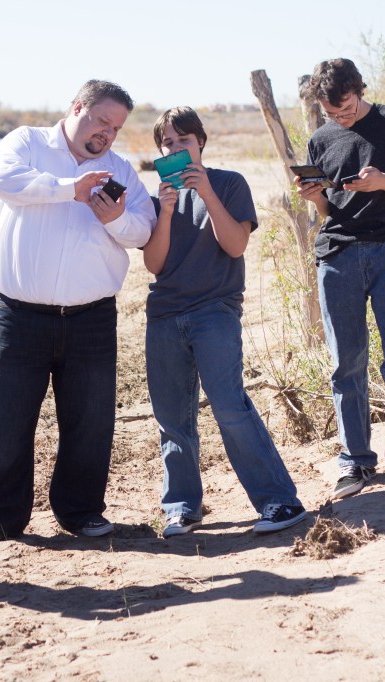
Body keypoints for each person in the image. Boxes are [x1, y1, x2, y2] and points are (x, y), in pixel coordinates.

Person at [0, 80, 156, 547]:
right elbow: (5, 182)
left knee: (90, 421)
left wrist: (114, 219)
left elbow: (145, 229)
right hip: (15, 314)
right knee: (8, 420)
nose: (107, 135)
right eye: (102, 122)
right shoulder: (26, 143)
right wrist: (69, 190)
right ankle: (1, 518)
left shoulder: (121, 171)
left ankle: (80, 511)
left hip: (91, 317)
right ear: (77, 108)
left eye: (116, 128)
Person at [144, 107, 307, 537]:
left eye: (184, 141)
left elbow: (234, 246)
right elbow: (154, 263)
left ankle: (280, 502)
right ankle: (181, 506)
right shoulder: (159, 194)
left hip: (214, 309)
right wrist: (164, 212)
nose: (175, 149)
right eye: (167, 144)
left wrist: (206, 192)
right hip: (164, 313)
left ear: (201, 142)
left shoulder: (230, 183)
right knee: (172, 418)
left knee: (230, 406)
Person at [295, 58, 385, 499]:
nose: (339, 119)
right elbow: (328, 212)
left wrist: (381, 180)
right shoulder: (321, 139)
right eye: (331, 114)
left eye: (345, 110)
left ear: (359, 90)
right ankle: (355, 462)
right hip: (337, 253)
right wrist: (317, 197)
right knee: (347, 362)